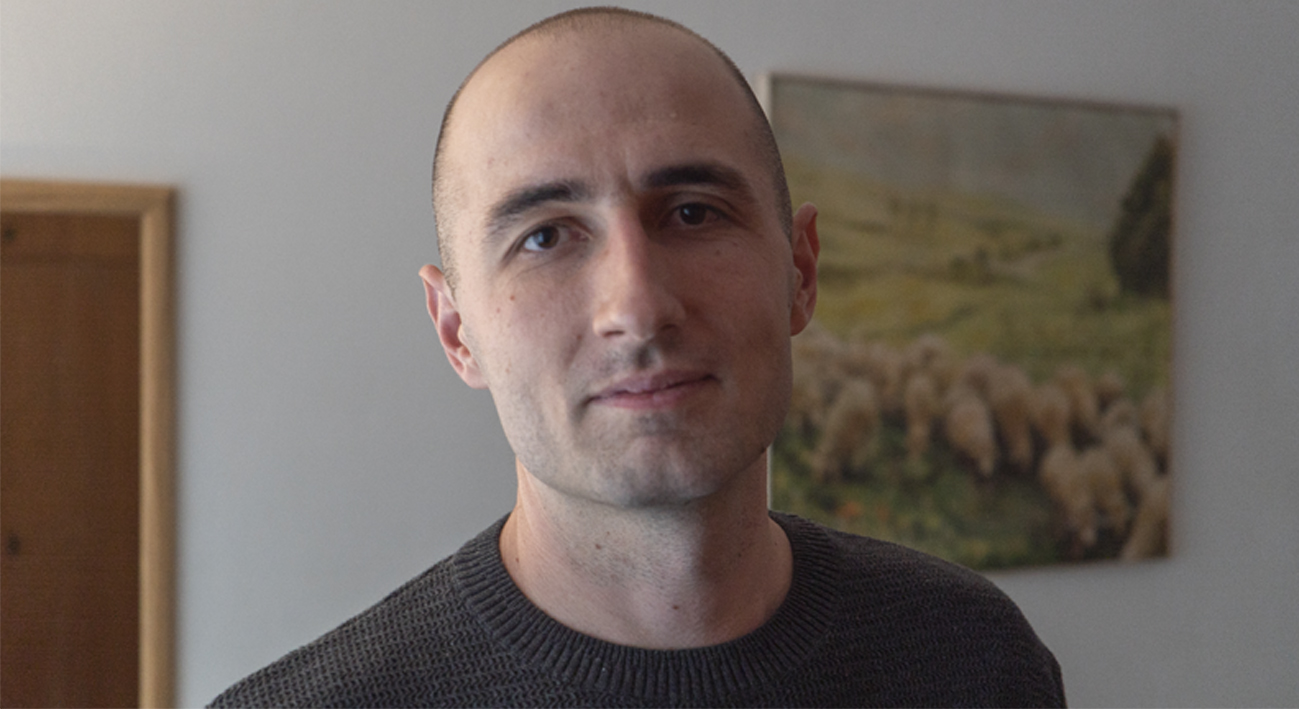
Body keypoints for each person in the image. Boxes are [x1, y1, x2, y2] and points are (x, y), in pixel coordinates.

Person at [211, 7, 1065, 707]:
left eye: (693, 212)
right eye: (545, 236)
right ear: (457, 330)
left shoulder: (974, 657)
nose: (638, 307)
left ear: (800, 273)